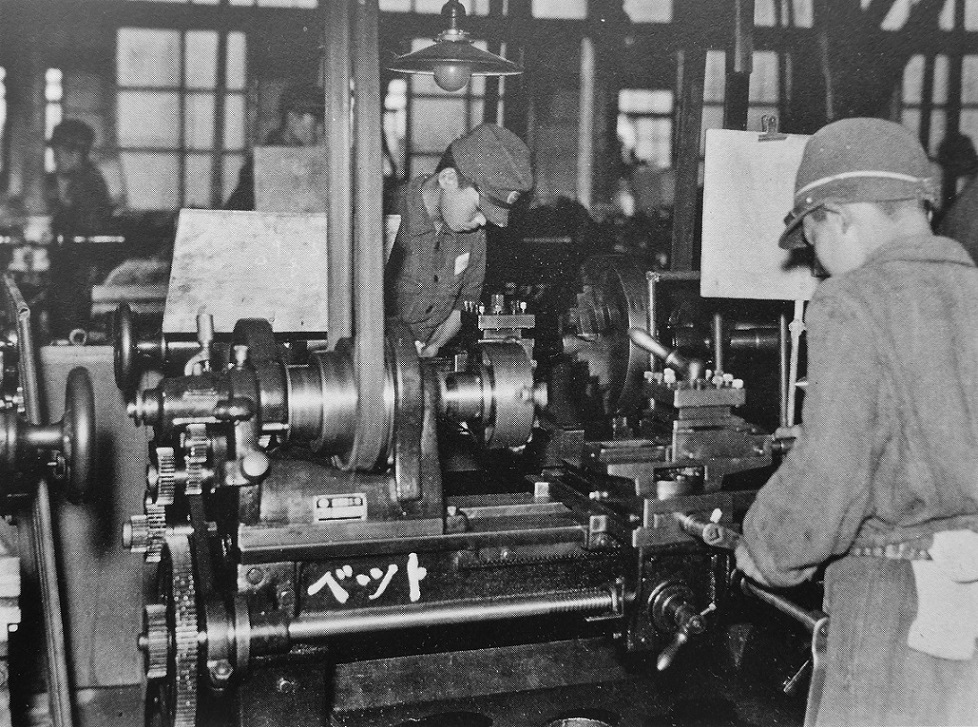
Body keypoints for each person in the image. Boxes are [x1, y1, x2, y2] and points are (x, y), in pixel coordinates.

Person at [735, 117, 978, 727]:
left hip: (896, 609)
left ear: (839, 217)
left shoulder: (852, 301)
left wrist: (762, 548)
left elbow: (831, 477)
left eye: (813, 238)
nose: (818, 265)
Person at [385, 123, 533, 357]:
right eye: (478, 208)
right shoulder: (384, 218)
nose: (482, 221)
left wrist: (435, 345)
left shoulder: (472, 233)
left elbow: (465, 300)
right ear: (448, 179)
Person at [44, 118, 114, 339]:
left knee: (69, 331)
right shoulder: (61, 181)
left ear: (76, 153)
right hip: (63, 272)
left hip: (80, 273)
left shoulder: (90, 184)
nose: (55, 160)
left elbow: (90, 229)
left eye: (58, 154)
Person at [224, 82, 325, 210]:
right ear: (292, 118)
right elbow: (237, 210)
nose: (320, 130)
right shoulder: (263, 161)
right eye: (316, 122)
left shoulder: (315, 157)